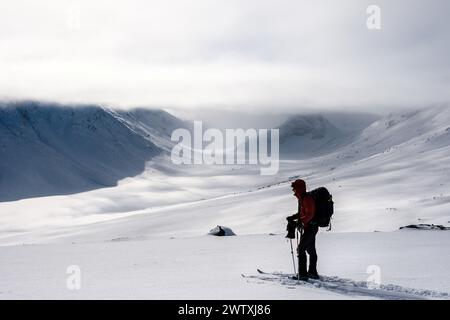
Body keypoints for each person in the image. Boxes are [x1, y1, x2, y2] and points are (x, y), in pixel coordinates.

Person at [286, 179, 320, 280]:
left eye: (294, 188)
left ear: (299, 188)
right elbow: (303, 214)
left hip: (311, 227)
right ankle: (312, 273)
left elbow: (310, 214)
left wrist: (300, 221)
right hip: (310, 227)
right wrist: (293, 217)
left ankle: (303, 275)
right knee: (310, 250)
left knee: (301, 249)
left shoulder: (306, 199)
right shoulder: (302, 199)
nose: (293, 190)